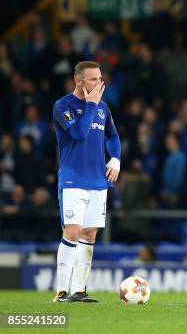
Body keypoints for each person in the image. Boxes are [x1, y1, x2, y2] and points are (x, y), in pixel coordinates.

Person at [52, 61, 121, 303]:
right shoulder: (63, 106)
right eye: (93, 79)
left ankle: (79, 290)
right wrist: (90, 105)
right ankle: (62, 291)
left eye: (100, 78)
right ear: (78, 81)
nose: (99, 83)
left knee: (89, 234)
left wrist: (115, 159)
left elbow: (112, 136)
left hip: (98, 181)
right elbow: (79, 134)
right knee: (72, 230)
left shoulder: (103, 109)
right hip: (73, 179)